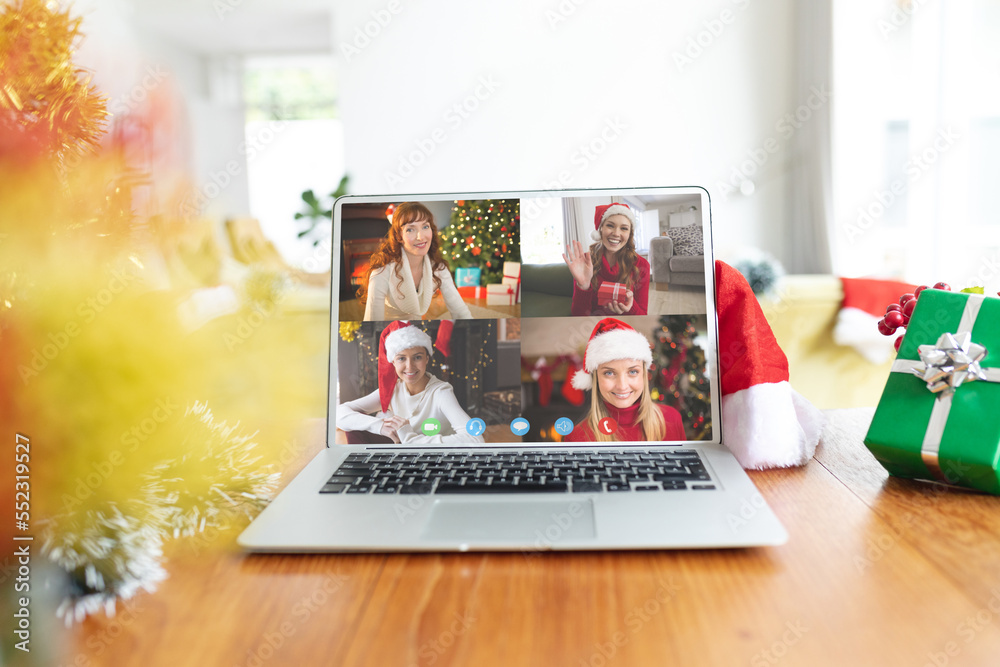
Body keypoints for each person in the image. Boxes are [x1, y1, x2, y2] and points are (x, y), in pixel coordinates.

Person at [337, 321, 484, 445]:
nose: (410, 366)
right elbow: (339, 414)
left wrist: (411, 439)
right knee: (354, 425)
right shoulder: (393, 390)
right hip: (403, 455)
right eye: (401, 358)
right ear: (392, 362)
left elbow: (475, 438)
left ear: (427, 358)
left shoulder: (440, 392)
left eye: (417, 357)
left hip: (434, 459)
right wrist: (380, 426)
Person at [564, 318, 685, 442]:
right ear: (596, 379)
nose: (622, 386)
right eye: (609, 373)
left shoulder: (672, 419)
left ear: (643, 375)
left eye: (633, 372)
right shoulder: (576, 437)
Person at [358, 202, 472, 320]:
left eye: (425, 227)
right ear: (399, 237)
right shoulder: (381, 273)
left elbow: (460, 312)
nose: (421, 237)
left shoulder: (438, 267)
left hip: (417, 330)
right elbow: (371, 323)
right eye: (410, 230)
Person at [562, 202, 650, 316]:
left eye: (624, 228)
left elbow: (642, 316)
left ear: (629, 234)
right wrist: (583, 286)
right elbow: (578, 316)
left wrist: (630, 306)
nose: (616, 233)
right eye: (610, 225)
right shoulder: (584, 262)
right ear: (600, 229)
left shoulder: (642, 265)